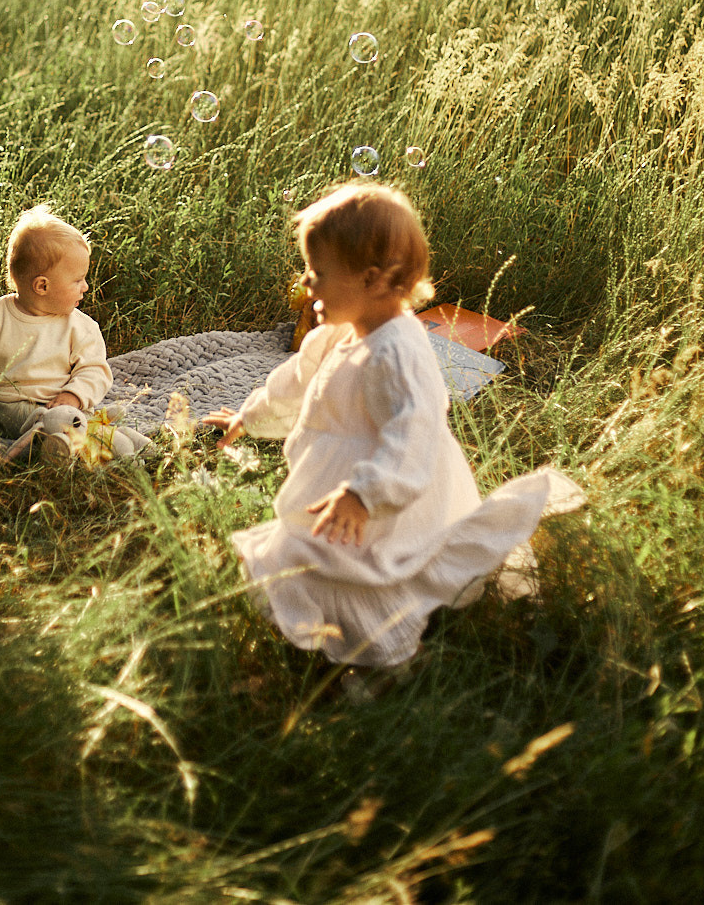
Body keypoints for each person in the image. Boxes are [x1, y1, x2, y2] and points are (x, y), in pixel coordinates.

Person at [203, 182, 584, 672]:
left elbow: (415, 431)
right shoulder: (338, 333)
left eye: (318, 273)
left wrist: (367, 494)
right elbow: (295, 382)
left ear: (373, 280)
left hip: (386, 501)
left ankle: (392, 660)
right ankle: (355, 640)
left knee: (344, 570)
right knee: (317, 559)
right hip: (338, 487)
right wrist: (248, 416)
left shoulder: (397, 352)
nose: (306, 286)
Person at [0, 205, 111, 464]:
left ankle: (45, 450)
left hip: (45, 410)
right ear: (42, 286)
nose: (86, 286)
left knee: (68, 422)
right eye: (78, 280)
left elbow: (95, 371)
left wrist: (73, 396)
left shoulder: (81, 327)